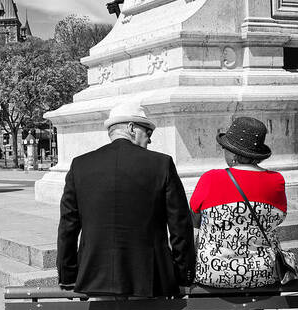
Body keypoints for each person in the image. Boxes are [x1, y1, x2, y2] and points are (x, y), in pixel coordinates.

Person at [57, 102, 195, 297]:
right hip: (150, 278)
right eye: (148, 133)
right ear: (131, 128)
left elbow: (68, 227)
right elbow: (180, 226)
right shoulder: (161, 164)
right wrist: (183, 276)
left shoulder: (80, 165)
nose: (149, 140)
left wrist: (68, 275)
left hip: (93, 274)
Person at [190, 117, 288, 288]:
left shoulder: (211, 179)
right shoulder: (276, 181)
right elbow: (278, 219)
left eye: (225, 148)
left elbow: (194, 220)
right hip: (262, 273)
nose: (223, 151)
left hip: (212, 272)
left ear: (234, 154)